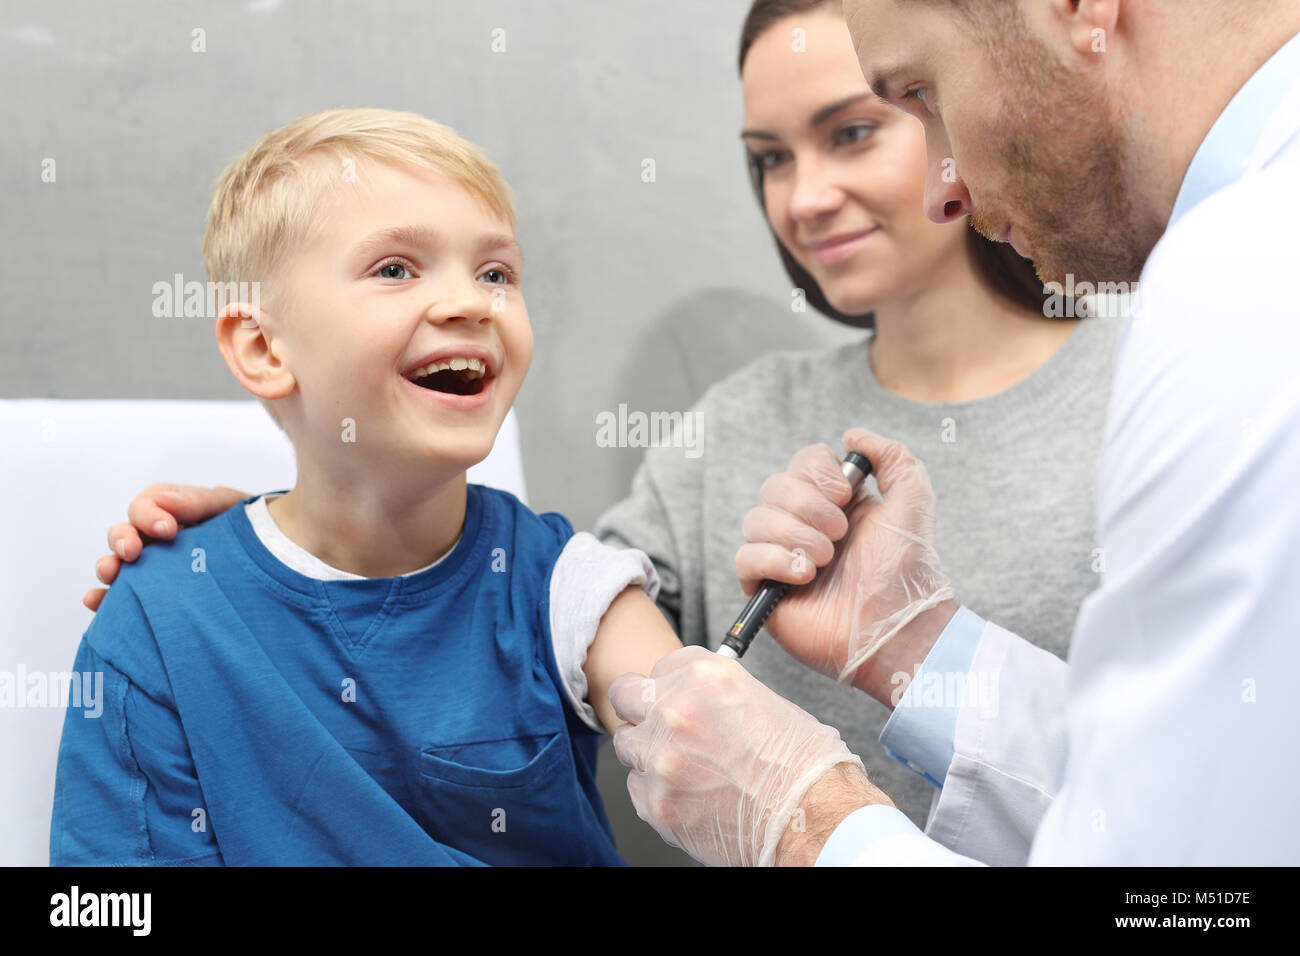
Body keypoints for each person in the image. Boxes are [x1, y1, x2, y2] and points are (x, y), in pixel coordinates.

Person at [84, 0, 1121, 837]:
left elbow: (1186, 815)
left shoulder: (1146, 390)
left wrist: (818, 792)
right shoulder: (741, 420)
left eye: (851, 131)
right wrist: (273, 538)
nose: (805, 197)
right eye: (769, 156)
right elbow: (518, 606)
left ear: (940, 109)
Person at [609, 0, 1300, 866]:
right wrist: (909, 641)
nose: (950, 189)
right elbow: (1181, 824)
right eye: (772, 159)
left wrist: (802, 819)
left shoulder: (1240, 285)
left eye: (916, 96)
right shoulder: (1244, 266)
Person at [51, 107, 688, 866]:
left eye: (496, 273)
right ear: (261, 347)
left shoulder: (570, 589)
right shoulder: (165, 618)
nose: (470, 303)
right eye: (395, 269)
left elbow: (722, 757)